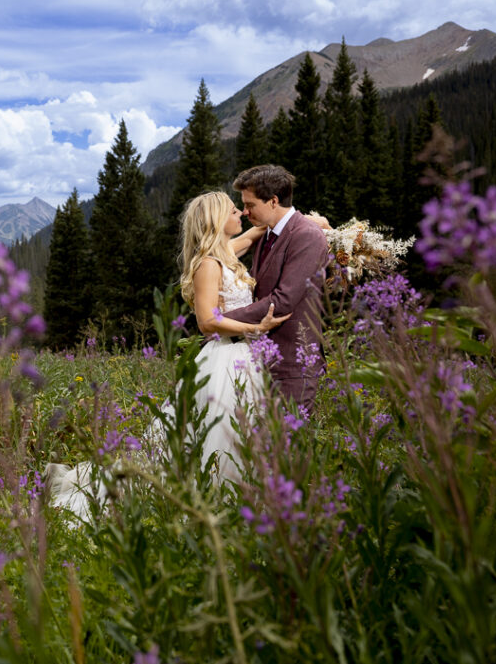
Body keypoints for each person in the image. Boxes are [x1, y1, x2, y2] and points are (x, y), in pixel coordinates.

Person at [46, 192, 289, 519]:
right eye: (234, 210)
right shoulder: (207, 264)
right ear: (218, 220)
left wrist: (311, 224)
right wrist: (255, 328)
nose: (242, 214)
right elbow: (207, 321)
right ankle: (215, 503)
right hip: (224, 359)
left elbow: (254, 234)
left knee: (241, 432)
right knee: (218, 433)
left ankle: (241, 501)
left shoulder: (223, 255)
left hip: (243, 358)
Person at [221, 165, 329, 413]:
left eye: (250, 205)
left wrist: (220, 321)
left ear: (273, 201)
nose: (245, 212)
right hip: (261, 361)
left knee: (289, 446)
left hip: (294, 363)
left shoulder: (307, 235)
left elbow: (283, 300)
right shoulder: (267, 233)